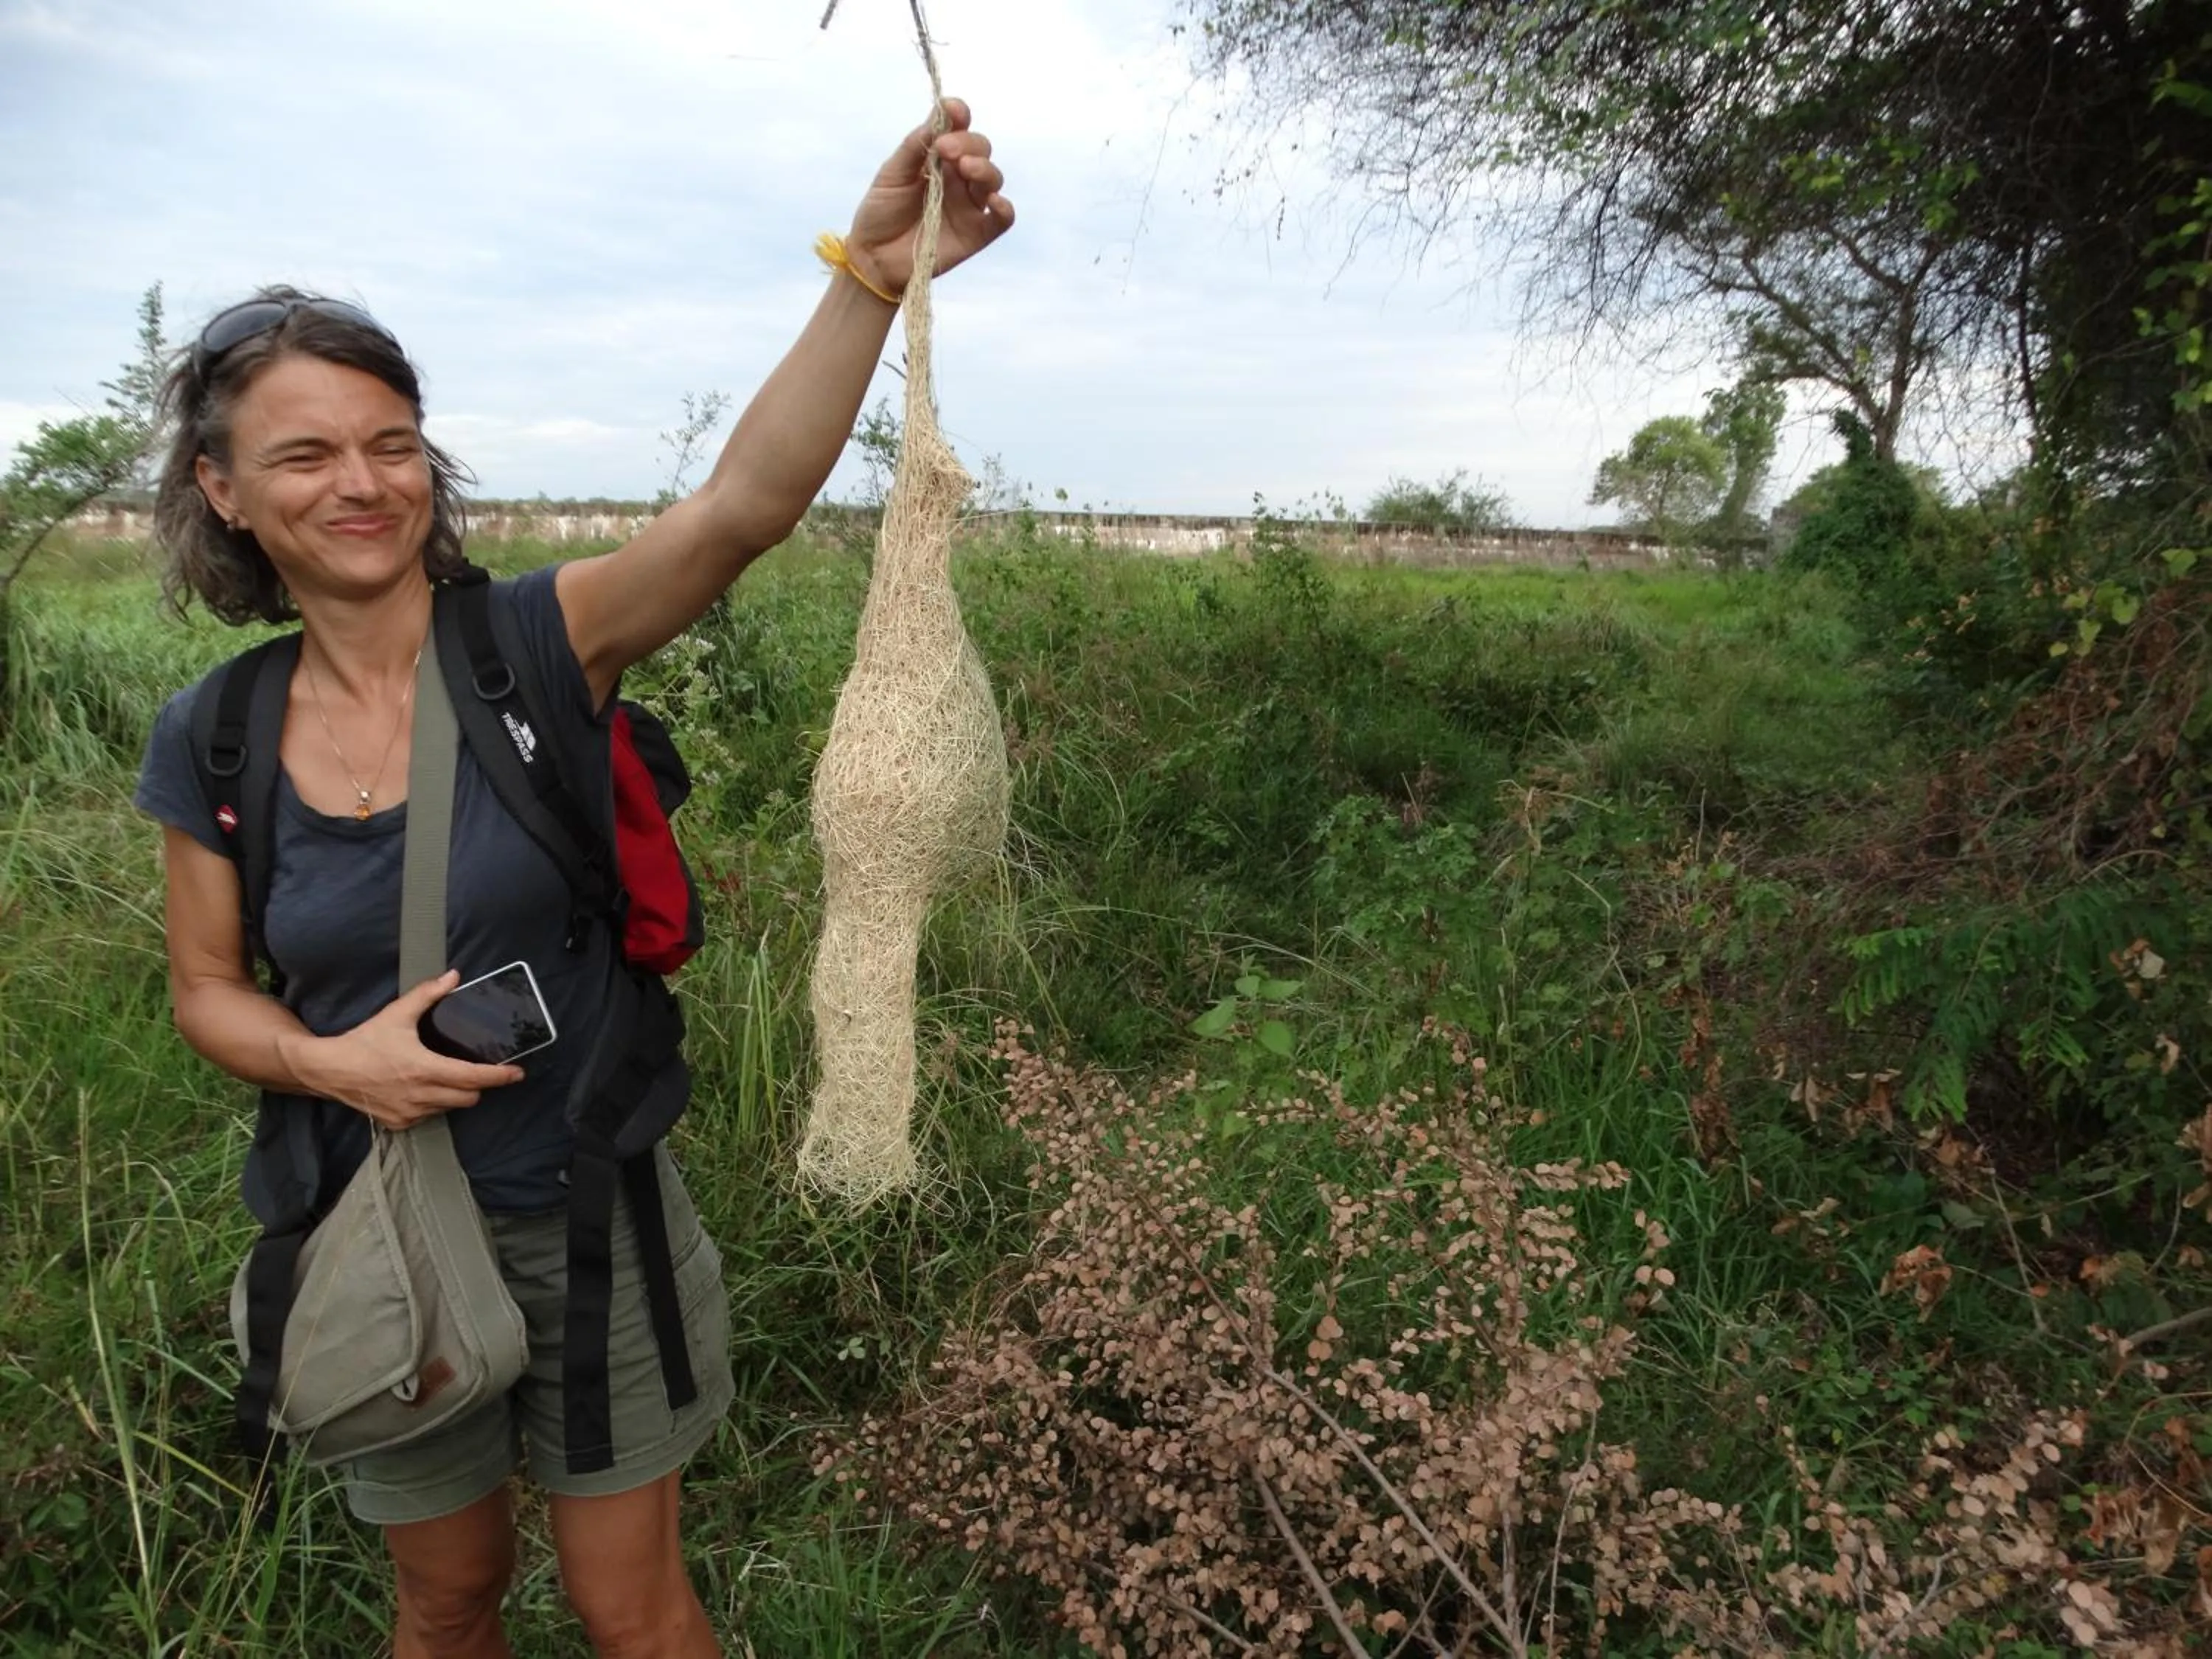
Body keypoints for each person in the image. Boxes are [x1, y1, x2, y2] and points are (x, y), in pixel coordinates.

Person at [131, 102, 1012, 1659]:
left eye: (392, 444)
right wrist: (328, 1060)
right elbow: (205, 989)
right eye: (307, 454)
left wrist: (870, 278)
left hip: (586, 1213)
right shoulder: (213, 737)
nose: (361, 483)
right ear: (224, 492)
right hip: (373, 1229)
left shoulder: (538, 645)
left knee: (629, 1606)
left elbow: (741, 508)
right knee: (445, 1601)